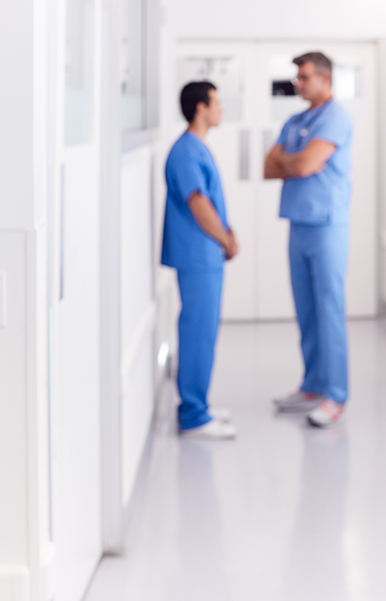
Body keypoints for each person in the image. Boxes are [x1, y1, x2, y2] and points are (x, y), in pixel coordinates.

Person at [264, 51, 354, 428]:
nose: (297, 84)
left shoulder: (335, 117)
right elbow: (269, 165)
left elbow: (303, 164)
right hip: (299, 224)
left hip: (326, 226)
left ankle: (335, 395)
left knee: (329, 309)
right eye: (297, 77)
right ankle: (313, 386)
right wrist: (294, 161)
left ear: (324, 78)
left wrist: (293, 159)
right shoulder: (297, 119)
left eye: (303, 77)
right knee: (306, 310)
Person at [161, 81, 239, 440]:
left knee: (203, 333)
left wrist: (227, 232)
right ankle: (193, 415)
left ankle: (199, 406)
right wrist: (225, 239)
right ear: (200, 108)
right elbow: (198, 205)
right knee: (197, 334)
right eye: (217, 103)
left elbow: (210, 201)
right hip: (198, 255)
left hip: (205, 254)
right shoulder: (185, 152)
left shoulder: (196, 148)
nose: (221, 109)